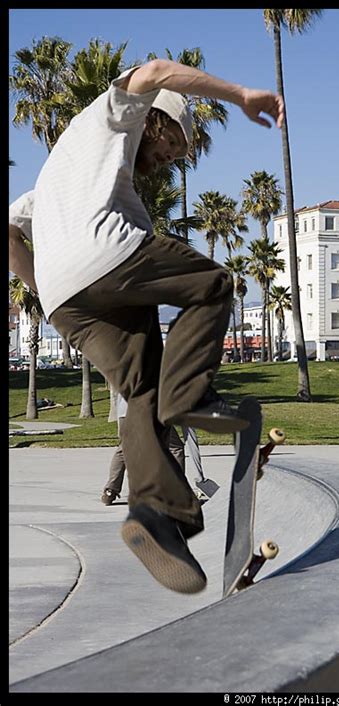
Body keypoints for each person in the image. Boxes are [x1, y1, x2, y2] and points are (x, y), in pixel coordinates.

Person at [9, 56, 284, 595]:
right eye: (172, 145)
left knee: (142, 391)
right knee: (213, 284)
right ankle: (192, 398)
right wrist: (240, 93)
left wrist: (45, 286)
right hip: (107, 255)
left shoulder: (61, 179)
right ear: (157, 120)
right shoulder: (113, 115)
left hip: (69, 301)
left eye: (175, 156)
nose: (167, 159)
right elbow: (156, 69)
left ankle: (156, 516)